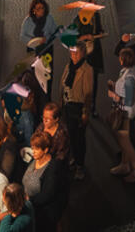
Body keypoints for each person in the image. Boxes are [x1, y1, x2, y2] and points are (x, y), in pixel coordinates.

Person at [108, 48, 135, 182]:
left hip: (125, 113)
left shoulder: (129, 76)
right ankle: (125, 165)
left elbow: (128, 99)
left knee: (125, 141)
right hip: (128, 111)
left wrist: (114, 96)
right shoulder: (131, 70)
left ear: (123, 59)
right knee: (123, 140)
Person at [21, 132, 68, 232]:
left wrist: (28, 200)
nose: (33, 152)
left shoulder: (52, 169)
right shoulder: (34, 160)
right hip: (31, 208)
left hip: (43, 214)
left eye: (36, 149)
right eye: (32, 148)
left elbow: (47, 195)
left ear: (45, 150)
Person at [60, 42, 93, 180]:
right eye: (72, 52)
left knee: (79, 138)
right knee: (70, 136)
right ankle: (73, 159)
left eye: (76, 53)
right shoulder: (69, 66)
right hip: (67, 106)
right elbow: (62, 84)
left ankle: (80, 165)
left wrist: (85, 112)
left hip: (78, 108)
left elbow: (88, 93)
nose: (73, 55)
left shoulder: (87, 69)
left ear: (83, 53)